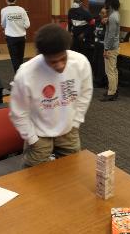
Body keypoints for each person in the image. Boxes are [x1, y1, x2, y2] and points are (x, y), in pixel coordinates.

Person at [10, 24, 93, 167]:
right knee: (33, 178)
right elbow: (18, 112)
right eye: (53, 62)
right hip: (39, 134)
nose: (60, 65)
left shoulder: (80, 62)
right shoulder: (26, 73)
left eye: (63, 59)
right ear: (42, 56)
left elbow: (85, 94)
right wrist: (31, 138)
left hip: (69, 130)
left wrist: (76, 122)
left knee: (72, 170)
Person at [1, 0, 30, 73]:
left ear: (6, 0)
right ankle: (20, 75)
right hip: (21, 37)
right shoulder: (22, 10)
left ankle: (18, 76)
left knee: (14, 58)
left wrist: (11, 25)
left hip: (11, 38)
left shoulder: (4, 10)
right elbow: (27, 25)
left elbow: (3, 24)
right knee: (20, 58)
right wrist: (19, 25)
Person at [100, 0, 120, 102]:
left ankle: (111, 92)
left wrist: (106, 49)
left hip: (111, 48)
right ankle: (114, 89)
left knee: (110, 71)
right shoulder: (115, 14)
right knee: (114, 70)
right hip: (115, 46)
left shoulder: (112, 17)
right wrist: (106, 20)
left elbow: (111, 35)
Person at [92, 7, 108, 88]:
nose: (101, 14)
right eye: (100, 13)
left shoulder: (108, 23)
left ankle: (100, 82)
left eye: (103, 13)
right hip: (97, 45)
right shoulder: (97, 21)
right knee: (95, 62)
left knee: (101, 64)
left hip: (103, 46)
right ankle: (96, 79)